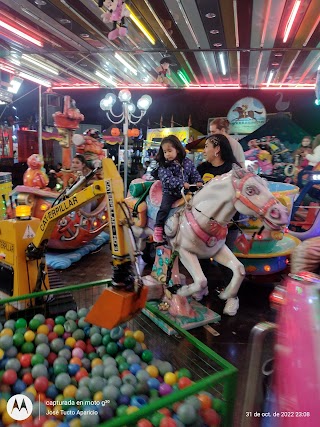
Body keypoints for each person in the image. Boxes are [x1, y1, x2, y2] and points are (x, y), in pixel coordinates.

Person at [197, 133, 241, 316]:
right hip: (203, 226)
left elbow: (239, 198)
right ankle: (203, 288)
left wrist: (228, 221)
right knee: (201, 259)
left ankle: (233, 297)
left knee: (226, 263)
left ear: (217, 149)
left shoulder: (233, 169)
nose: (204, 150)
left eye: (207, 146)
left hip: (225, 225)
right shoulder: (201, 168)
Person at [152, 135, 203, 243]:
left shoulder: (187, 162)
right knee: (164, 208)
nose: (167, 154)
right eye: (165, 152)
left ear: (178, 150)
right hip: (170, 192)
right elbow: (167, 179)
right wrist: (182, 184)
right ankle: (158, 227)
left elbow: (193, 173)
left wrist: (198, 181)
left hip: (185, 192)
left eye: (169, 151)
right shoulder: (164, 165)